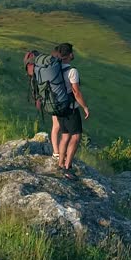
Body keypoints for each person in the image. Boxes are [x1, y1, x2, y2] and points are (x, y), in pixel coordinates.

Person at [52, 42, 90, 178]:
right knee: (76, 136)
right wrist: (85, 107)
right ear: (69, 55)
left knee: (65, 135)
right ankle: (67, 167)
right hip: (71, 109)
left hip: (59, 108)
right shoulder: (72, 71)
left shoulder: (55, 69)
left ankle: (60, 164)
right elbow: (76, 92)